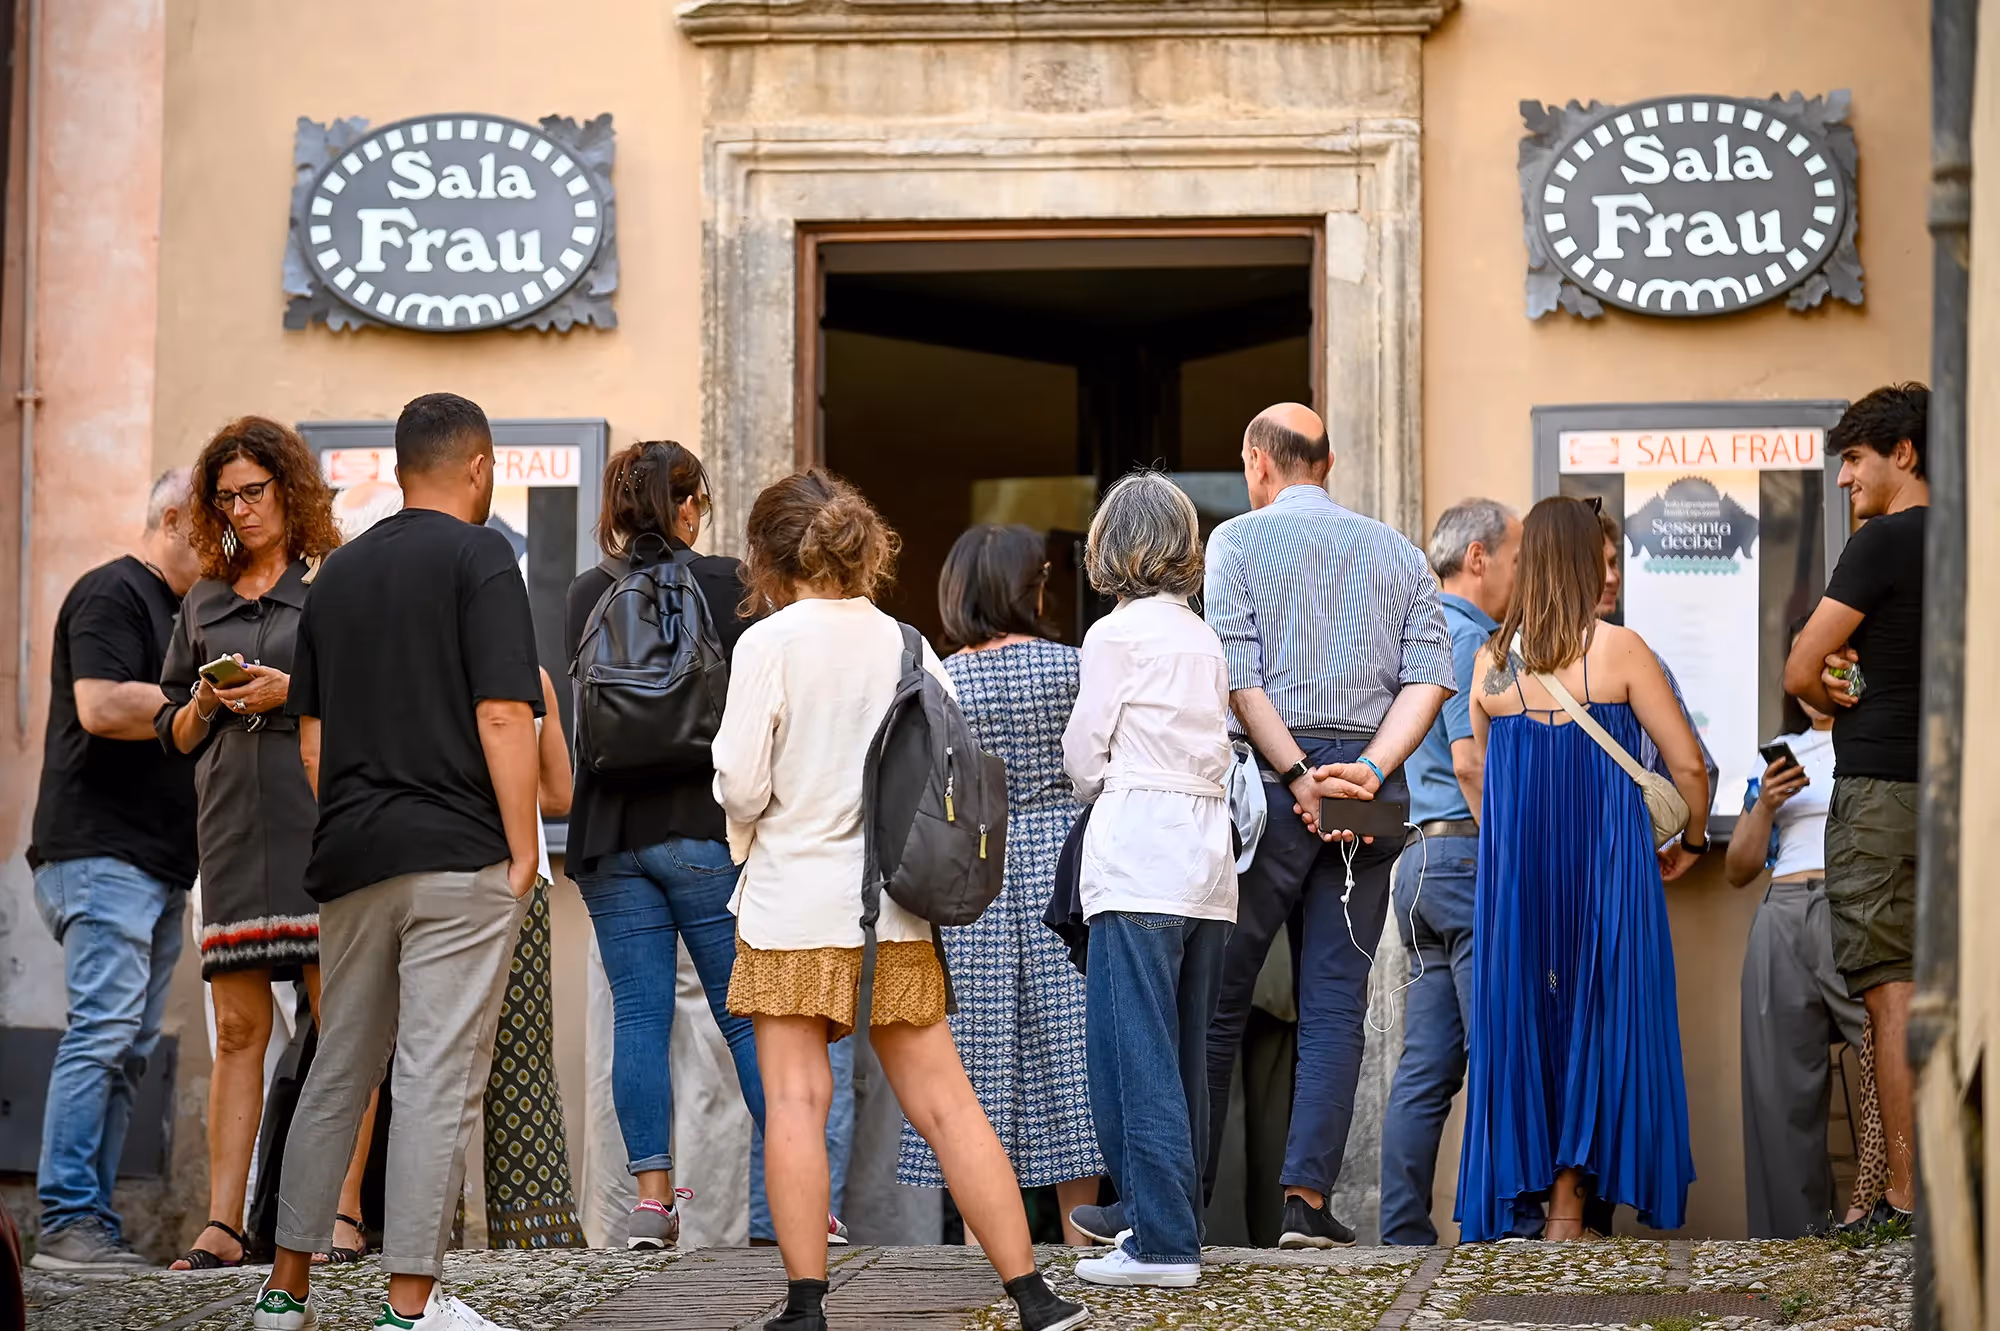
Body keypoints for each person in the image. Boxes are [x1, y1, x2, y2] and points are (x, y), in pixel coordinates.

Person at [712, 470, 1084, 1331]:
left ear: (769, 556)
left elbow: (737, 784)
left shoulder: (767, 646)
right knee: (951, 1104)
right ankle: (1033, 1293)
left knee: (798, 1104)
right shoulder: (909, 646)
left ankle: (807, 1307)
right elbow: (947, 774)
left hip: (788, 912)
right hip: (892, 912)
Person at [256, 392, 544, 1331]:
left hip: (353, 857)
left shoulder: (334, 577)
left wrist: (352, 820)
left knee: (339, 1066)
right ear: (479, 465)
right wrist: (524, 846)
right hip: (457, 854)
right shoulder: (482, 554)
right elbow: (504, 713)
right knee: (431, 1074)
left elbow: (312, 740)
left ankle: (283, 1291)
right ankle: (409, 1308)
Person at [1199, 403, 1454, 1248]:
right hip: (1366, 785)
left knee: (1220, 998)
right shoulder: (1400, 552)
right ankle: (1306, 1200)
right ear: (1329, 462)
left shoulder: (1234, 542)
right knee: (1338, 999)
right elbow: (1428, 677)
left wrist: (1298, 777)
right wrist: (1370, 771)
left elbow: (1241, 675)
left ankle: (1178, 1197)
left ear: (1258, 461)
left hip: (1273, 784)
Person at [1456, 496, 1708, 1243]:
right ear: (1581, 563)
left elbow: (1473, 764)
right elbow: (1688, 761)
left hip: (1519, 882)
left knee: (1532, 1017)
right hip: (1607, 871)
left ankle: (1541, 1206)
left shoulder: (1493, 661)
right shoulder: (1621, 649)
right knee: (1599, 1012)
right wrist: (1689, 838)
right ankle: (1573, 1211)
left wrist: (1508, 843)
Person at [156, 418, 373, 1271]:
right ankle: (224, 1221)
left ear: (291, 489)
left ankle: (343, 1214)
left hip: (321, 820)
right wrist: (209, 703)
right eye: (227, 496)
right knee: (240, 1030)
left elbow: (370, 710)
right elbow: (174, 731)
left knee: (341, 1022)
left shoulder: (334, 587)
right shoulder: (203, 598)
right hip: (233, 831)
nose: (242, 509)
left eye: (256, 490)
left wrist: (293, 691)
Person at [564, 440, 782, 1249]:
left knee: (640, 1016)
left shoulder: (586, 591)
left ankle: (652, 1201)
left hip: (611, 834)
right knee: (747, 1020)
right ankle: (799, 1194)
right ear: (690, 505)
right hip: (706, 826)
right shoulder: (731, 584)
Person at [896, 524, 1105, 1244]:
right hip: (1063, 866)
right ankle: (1084, 1240)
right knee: (1073, 1056)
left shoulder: (939, 678)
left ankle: (993, 1245)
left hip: (973, 867)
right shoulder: (1075, 666)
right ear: (1031, 587)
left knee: (978, 1063)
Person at [1060, 475, 1237, 1288]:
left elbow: (1084, 756)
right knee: (1183, 1051)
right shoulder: (1204, 638)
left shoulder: (1115, 635)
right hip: (1206, 862)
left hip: (1138, 856)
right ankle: (1157, 1210)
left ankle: (1163, 1241)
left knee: (1135, 1050)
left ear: (1111, 548)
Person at [26, 469, 202, 1271]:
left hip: (158, 863)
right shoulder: (113, 593)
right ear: (172, 518)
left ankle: (88, 1221)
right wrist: (202, 701)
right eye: (215, 527)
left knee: (129, 1045)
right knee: (101, 1035)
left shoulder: (183, 608)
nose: (229, 544)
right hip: (100, 854)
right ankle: (64, 1218)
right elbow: (100, 705)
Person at [1783, 382, 1930, 1226]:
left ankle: (1906, 1200)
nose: (1845, 480)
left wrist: (1841, 689)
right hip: (1958, 796)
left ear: (1901, 454)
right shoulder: (1974, 539)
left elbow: (1803, 666)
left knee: (1893, 995)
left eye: (1854, 459)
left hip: (1881, 795)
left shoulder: (1881, 544)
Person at [1377, 498, 1521, 1246]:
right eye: (1517, 556)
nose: (1519, 573)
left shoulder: (1411, 634)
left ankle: (1402, 1231)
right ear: (1479, 558)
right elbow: (1471, 757)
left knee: (1428, 1062)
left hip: (1416, 862)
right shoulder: (1475, 642)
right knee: (1499, 1042)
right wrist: (1512, 848)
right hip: (1469, 854)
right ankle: (1504, 1224)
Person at [1729, 620, 1888, 1237]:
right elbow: (1740, 868)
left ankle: (1889, 1210)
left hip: (1856, 906)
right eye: (1801, 661)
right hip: (1785, 909)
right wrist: (1765, 803)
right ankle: (1791, 1245)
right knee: (1779, 1090)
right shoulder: (1778, 750)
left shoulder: (1879, 736)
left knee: (1894, 1056)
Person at [1596, 510, 1720, 795]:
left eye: (1614, 563)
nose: (1612, 577)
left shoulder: (1641, 660)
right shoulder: (1519, 663)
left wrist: (1676, 839)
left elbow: (1694, 769)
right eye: (1595, 564)